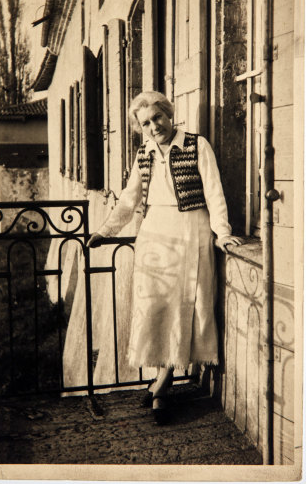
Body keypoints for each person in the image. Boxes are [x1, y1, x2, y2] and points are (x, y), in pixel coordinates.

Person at [87, 91, 242, 425]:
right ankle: (162, 379)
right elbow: (128, 201)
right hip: (155, 234)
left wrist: (223, 233)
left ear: (169, 114)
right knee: (156, 306)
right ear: (140, 128)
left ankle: (161, 386)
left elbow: (214, 193)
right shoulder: (144, 153)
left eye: (158, 117)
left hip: (190, 231)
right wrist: (105, 232)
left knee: (182, 305)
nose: (154, 126)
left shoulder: (196, 145)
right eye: (146, 123)